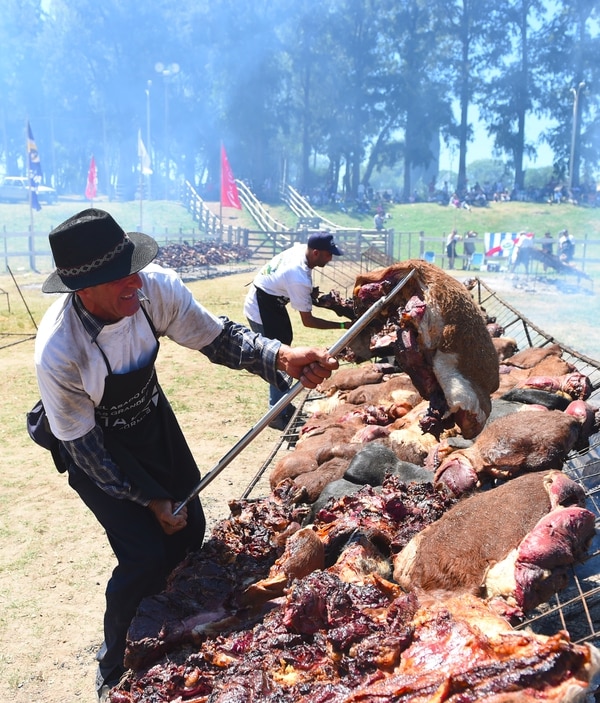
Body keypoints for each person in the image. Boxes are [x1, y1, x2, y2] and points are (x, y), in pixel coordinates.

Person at [33, 209, 339, 701]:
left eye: (132, 266)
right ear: (81, 289)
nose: (133, 281)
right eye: (118, 277)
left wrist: (281, 357)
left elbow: (219, 338)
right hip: (98, 449)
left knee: (191, 529)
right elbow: (87, 450)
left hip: (152, 423)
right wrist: (148, 499)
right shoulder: (60, 350)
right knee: (145, 555)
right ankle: (115, 661)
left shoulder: (153, 289)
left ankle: (173, 634)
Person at [243, 231, 349, 430]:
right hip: (261, 308)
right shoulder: (299, 276)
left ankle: (282, 405)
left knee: (285, 345)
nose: (331, 258)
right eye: (328, 254)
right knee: (278, 358)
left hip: (273, 301)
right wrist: (343, 326)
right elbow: (308, 322)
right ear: (316, 252)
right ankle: (276, 414)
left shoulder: (303, 250)